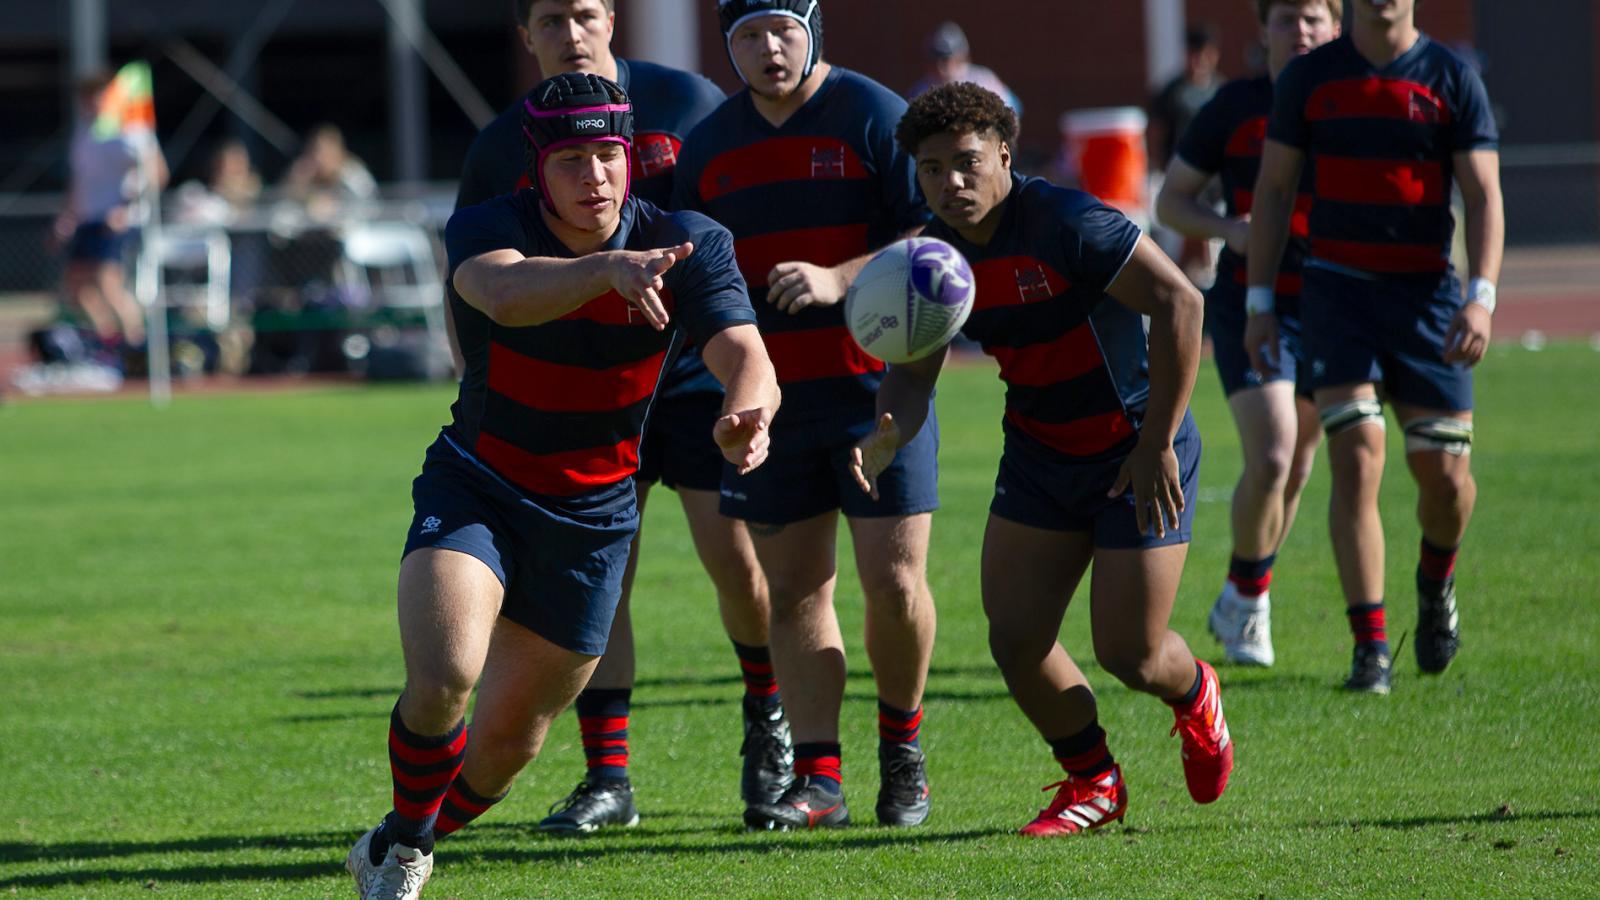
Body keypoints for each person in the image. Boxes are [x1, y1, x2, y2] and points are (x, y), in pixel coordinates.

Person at [344, 73, 780, 900]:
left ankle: (406, 834)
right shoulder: (486, 227)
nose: (596, 177)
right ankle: (403, 858)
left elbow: (745, 351)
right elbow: (504, 295)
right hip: (480, 485)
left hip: (595, 516)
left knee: (509, 743)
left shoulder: (686, 241)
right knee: (444, 679)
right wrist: (607, 271)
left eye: (609, 155)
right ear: (537, 168)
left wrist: (748, 410)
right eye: (572, 158)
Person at [852, 82, 1232, 837]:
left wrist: (1157, 441)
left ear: (1003, 152)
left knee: (1130, 651)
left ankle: (1195, 697)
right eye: (931, 170)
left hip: (1136, 450)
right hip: (1039, 454)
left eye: (965, 163)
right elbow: (913, 372)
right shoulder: (933, 257)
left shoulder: (1068, 222)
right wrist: (889, 430)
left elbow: (1181, 304)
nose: (950, 183)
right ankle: (1092, 781)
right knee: (1016, 637)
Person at [452, 0, 791, 834]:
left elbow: (728, 230)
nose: (572, 33)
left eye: (587, 12)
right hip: (585, 384)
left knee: (736, 561)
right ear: (524, 35)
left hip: (694, 371)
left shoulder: (686, 101)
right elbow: (478, 280)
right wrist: (481, 389)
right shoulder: (502, 143)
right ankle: (609, 778)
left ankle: (769, 721)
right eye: (550, 19)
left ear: (614, 18)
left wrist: (750, 376)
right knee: (610, 574)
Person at [673, 0, 938, 830]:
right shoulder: (710, 146)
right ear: (728, 46)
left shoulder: (874, 114)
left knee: (893, 584)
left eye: (783, 29)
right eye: (748, 35)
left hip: (877, 397)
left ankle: (903, 756)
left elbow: (938, 239)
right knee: (793, 591)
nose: (768, 49)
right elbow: (695, 272)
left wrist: (841, 277)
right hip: (772, 406)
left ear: (814, 29)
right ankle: (820, 777)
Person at [1246, 0, 1503, 694]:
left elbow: (1482, 196)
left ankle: (1436, 579)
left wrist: (1482, 296)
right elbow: (1272, 191)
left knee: (1446, 481)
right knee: (1356, 458)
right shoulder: (1311, 78)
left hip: (1428, 301)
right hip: (1338, 296)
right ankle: (1371, 646)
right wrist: (1260, 301)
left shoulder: (1453, 77)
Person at [1154, 0, 1340, 667]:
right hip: (1249, 303)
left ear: (1337, 27)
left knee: (1297, 466)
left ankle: (1243, 595)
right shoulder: (1233, 107)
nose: (1302, 31)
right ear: (1263, 31)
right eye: (1287, 18)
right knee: (1272, 454)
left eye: (1315, 18)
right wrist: (1234, 230)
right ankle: (1251, 605)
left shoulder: (1352, 103)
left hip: (1333, 305)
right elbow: (1171, 200)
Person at [55, 70, 168, 352]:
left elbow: (156, 172)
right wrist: (67, 216)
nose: (90, 104)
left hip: (116, 220)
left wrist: (125, 209)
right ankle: (109, 344)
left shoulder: (128, 131)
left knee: (109, 284)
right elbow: (78, 180)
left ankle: (140, 347)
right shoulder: (84, 132)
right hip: (88, 218)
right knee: (76, 288)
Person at [908, 22, 1022, 122]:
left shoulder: (984, 80)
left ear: (962, 57)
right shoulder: (921, 90)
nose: (940, 67)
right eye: (934, 60)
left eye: (947, 59)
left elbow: (1013, 110)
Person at [282, 124, 376, 222]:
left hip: (350, 231)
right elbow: (284, 203)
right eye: (314, 151)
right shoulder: (305, 171)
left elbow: (369, 205)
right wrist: (297, 182)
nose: (319, 157)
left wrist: (335, 207)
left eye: (323, 151)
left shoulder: (352, 174)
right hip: (311, 231)